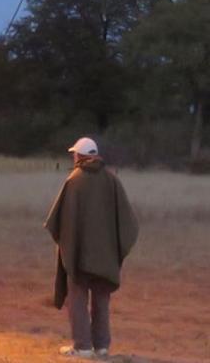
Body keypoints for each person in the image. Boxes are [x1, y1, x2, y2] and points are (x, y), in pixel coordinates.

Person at [45, 137, 139, 359]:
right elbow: (129, 223)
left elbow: (58, 222)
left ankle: (83, 347)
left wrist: (69, 247)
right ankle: (102, 346)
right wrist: (115, 251)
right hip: (105, 259)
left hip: (80, 257)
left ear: (79, 156)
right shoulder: (112, 180)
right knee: (102, 301)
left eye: (74, 154)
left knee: (77, 300)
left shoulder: (74, 181)